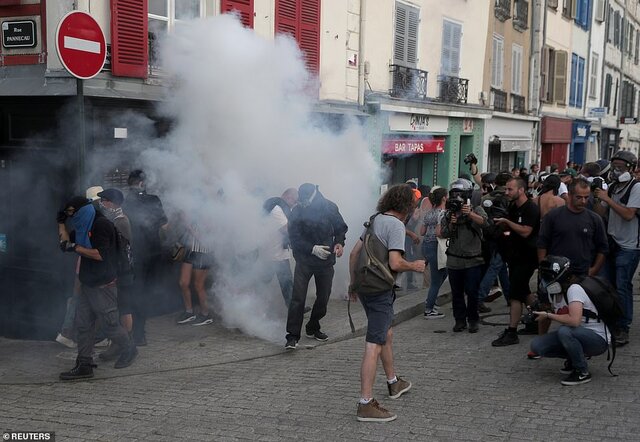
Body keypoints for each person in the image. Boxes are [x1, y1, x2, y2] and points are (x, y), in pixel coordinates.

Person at [348, 184, 425, 422]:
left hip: (365, 287)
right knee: (374, 343)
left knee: (385, 334)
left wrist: (353, 285)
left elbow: (353, 254)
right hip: (381, 289)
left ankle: (393, 383)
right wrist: (415, 265)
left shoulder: (375, 219)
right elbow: (394, 262)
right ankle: (365, 403)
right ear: (408, 207)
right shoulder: (395, 225)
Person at [58, 196, 137, 380]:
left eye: (73, 213)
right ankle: (84, 364)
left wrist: (76, 247)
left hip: (103, 285)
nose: (72, 217)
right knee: (83, 325)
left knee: (110, 325)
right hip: (88, 283)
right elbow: (64, 244)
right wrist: (61, 224)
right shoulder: (84, 226)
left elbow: (100, 254)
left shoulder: (101, 225)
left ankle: (129, 348)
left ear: (83, 211)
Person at [284, 183, 348, 349]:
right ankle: (292, 336)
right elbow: (294, 238)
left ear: (314, 195)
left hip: (326, 262)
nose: (303, 203)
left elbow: (340, 228)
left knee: (323, 298)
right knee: (298, 298)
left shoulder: (329, 207)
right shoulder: (297, 211)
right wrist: (312, 249)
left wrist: (339, 243)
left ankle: (313, 326)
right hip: (304, 261)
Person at [530, 256, 610, 385]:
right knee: (538, 345)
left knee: (565, 331)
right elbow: (557, 312)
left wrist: (548, 315)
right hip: (578, 334)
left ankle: (582, 371)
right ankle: (574, 359)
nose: (546, 280)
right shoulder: (554, 293)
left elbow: (574, 321)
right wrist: (537, 312)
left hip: (597, 339)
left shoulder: (575, 289)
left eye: (548, 276)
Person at [593, 150, 640, 346]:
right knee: (607, 285)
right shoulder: (612, 187)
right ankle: (611, 321)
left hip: (629, 246)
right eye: (614, 166)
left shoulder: (636, 187)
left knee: (622, 286)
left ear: (631, 168)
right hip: (611, 242)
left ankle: (623, 326)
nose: (616, 170)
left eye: (620, 167)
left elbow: (629, 214)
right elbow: (600, 212)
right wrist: (598, 197)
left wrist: (609, 199)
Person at [491, 177, 540, 346]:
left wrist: (507, 222)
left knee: (514, 295)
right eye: (506, 189)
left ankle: (511, 332)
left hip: (527, 258)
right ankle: (538, 319)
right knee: (524, 291)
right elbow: (510, 228)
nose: (506, 192)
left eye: (510, 189)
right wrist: (501, 224)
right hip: (514, 256)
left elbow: (526, 231)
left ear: (521, 190)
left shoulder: (531, 208)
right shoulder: (513, 207)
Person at [122, 169, 168, 346]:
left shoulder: (124, 203)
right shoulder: (154, 200)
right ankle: (140, 332)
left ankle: (135, 332)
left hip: (134, 255)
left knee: (134, 292)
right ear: (142, 183)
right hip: (153, 253)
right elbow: (165, 226)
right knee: (146, 292)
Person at [441, 178, 488, 333]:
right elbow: (444, 233)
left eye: (459, 194)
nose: (457, 197)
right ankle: (459, 320)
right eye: (454, 194)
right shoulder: (449, 213)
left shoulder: (477, 209)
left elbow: (485, 223)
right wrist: (451, 222)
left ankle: (473, 320)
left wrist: (470, 214)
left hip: (473, 260)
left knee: (472, 292)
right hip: (454, 261)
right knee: (457, 294)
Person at [96, 188, 136, 362]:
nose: (101, 203)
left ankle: (127, 345)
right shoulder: (113, 220)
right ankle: (118, 344)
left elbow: (118, 250)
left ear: (111, 203)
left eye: (103, 200)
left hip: (123, 271)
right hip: (118, 271)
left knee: (124, 308)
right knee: (118, 308)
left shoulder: (120, 221)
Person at [261, 188, 299, 307]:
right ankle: (247, 296)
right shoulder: (277, 209)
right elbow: (286, 229)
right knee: (268, 280)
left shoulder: (281, 208)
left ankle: (294, 307)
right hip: (274, 252)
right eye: (295, 201)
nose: (295, 204)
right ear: (288, 197)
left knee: (285, 282)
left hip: (277, 252)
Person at [175, 213, 214, 326]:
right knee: (183, 283)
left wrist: (189, 226)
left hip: (203, 253)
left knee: (198, 285)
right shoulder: (194, 209)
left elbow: (205, 239)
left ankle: (205, 314)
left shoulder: (212, 214)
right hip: (190, 250)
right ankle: (189, 312)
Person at [420, 187, 447, 318]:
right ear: (444, 198)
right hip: (437, 247)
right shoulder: (442, 213)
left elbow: (422, 232)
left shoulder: (429, 213)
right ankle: (429, 309)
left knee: (442, 273)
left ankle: (431, 299)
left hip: (426, 245)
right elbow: (438, 233)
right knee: (436, 280)